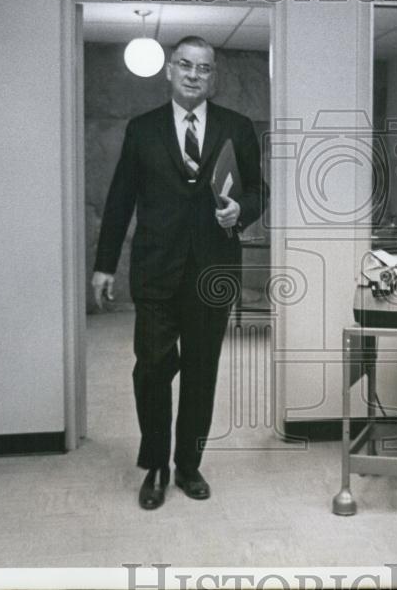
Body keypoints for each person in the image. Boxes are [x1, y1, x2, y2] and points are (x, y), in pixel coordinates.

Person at [91, 35, 264, 510]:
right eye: (185, 65)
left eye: (204, 68)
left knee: (201, 372)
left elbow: (258, 192)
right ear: (169, 70)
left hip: (214, 271)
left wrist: (240, 212)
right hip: (155, 271)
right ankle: (156, 464)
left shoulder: (237, 126)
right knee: (151, 369)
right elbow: (120, 199)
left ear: (213, 77)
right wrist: (104, 265)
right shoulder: (142, 129)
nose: (193, 74)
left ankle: (188, 464)